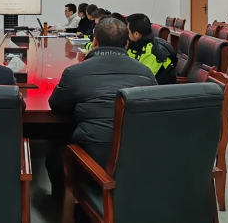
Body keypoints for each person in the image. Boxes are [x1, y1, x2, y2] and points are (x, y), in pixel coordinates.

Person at [46, 18, 157, 197]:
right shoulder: (146, 73)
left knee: (55, 146)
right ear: (127, 44)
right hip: (138, 156)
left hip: (92, 156)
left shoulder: (74, 72)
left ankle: (61, 199)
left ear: (95, 41)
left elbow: (56, 106)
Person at [126, 13, 178, 85]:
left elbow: (142, 82)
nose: (125, 34)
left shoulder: (154, 54)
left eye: (127, 31)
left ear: (136, 34)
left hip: (157, 90)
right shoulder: (136, 46)